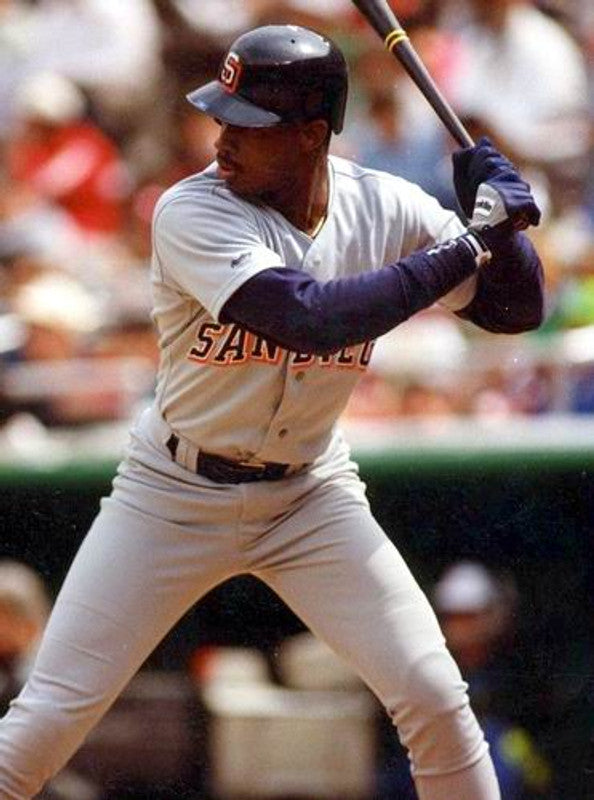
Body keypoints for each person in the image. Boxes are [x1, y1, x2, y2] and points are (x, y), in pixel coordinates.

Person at [0, 24, 544, 800]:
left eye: (249, 125)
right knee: (43, 727)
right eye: (221, 118)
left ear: (312, 134)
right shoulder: (191, 209)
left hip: (309, 496)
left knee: (433, 698)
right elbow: (308, 316)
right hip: (173, 493)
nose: (222, 140)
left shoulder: (382, 204)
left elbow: (516, 310)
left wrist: (505, 233)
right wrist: (471, 243)